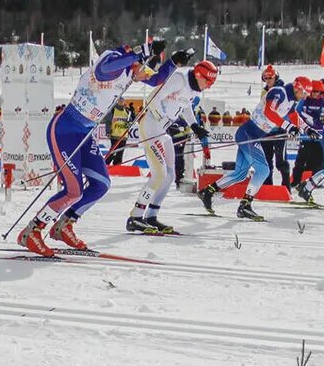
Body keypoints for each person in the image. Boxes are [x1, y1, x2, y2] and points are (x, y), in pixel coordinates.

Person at [17, 40, 164, 256]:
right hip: (65, 130)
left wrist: (174, 64)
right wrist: (139, 53)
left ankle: (65, 225)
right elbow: (106, 69)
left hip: (84, 134)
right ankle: (32, 230)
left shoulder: (128, 73)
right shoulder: (112, 62)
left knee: (101, 184)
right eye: (145, 67)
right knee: (73, 191)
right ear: (137, 62)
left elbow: (157, 80)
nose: (146, 74)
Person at [198, 74, 314, 220]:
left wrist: (308, 129)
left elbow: (293, 115)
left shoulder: (291, 100)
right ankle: (245, 205)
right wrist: (288, 126)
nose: (304, 97)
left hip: (252, 135)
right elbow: (269, 112)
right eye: (304, 93)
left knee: (240, 174)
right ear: (298, 88)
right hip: (249, 134)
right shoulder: (279, 92)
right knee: (263, 170)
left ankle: (207, 191)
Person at [126, 56, 218, 234]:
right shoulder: (179, 79)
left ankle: (151, 216)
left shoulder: (193, 89)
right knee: (159, 174)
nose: (210, 85)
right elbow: (154, 97)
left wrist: (195, 126)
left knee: (169, 176)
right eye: (209, 81)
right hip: (151, 125)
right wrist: (164, 119)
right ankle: (135, 217)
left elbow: (185, 107)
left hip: (162, 131)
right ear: (200, 75)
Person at [291, 79, 324, 187]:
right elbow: (295, 113)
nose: (314, 94)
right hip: (306, 135)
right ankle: (296, 181)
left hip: (319, 136)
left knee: (319, 161)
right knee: (301, 160)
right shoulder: (304, 101)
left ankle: (315, 182)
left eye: (317, 92)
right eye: (313, 91)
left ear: (321, 92)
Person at [257, 65, 291, 186]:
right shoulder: (264, 92)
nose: (268, 80)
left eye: (270, 77)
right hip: (266, 130)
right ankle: (267, 185)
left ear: (275, 77)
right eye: (265, 78)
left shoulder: (282, 91)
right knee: (266, 159)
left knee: (281, 160)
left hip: (279, 129)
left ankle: (286, 186)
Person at [105, 98, 133, 165]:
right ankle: (106, 163)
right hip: (115, 134)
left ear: (124, 102)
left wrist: (129, 122)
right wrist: (108, 131)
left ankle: (117, 165)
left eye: (122, 101)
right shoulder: (113, 110)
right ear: (117, 101)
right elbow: (108, 121)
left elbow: (130, 120)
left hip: (123, 135)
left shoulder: (127, 111)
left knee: (120, 152)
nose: (121, 102)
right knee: (113, 151)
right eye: (119, 101)